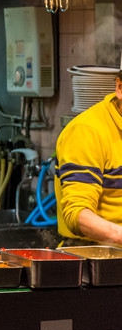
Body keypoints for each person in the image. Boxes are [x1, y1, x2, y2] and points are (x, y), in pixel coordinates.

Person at [55, 67, 122, 244]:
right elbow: (77, 214)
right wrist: (118, 235)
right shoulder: (86, 132)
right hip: (90, 259)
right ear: (120, 87)